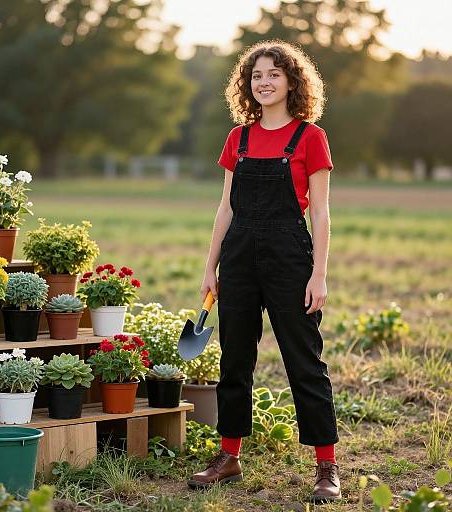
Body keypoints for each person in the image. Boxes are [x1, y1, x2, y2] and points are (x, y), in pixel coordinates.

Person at [187, 39, 341, 502]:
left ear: (293, 82)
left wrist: (319, 273)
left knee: (304, 361)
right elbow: (226, 208)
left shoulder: (310, 137)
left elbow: (322, 214)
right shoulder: (240, 137)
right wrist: (210, 267)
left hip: (291, 257)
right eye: (256, 75)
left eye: (274, 74)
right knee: (235, 358)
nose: (264, 82)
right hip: (238, 258)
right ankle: (228, 456)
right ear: (246, 84)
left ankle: (326, 465)